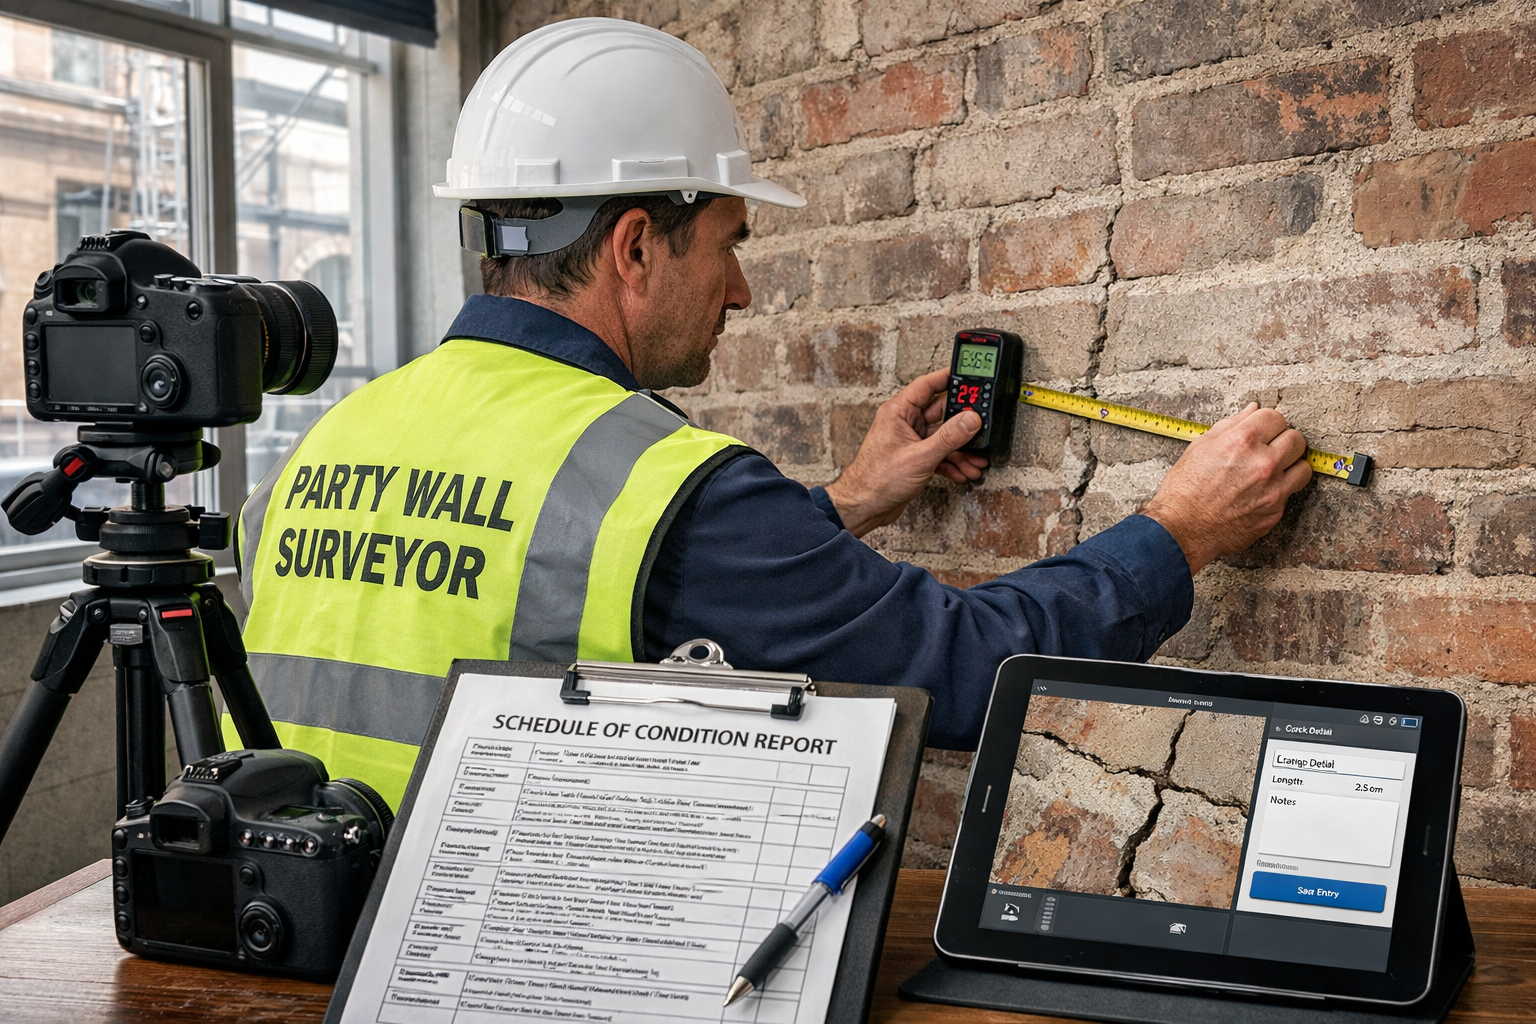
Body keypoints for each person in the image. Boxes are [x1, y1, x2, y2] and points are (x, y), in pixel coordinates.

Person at [234, 18, 1311, 808]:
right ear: (637, 246)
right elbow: (970, 668)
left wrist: (842, 503)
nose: (741, 290)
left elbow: (585, 579)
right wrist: (1182, 531)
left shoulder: (329, 439)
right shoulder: (662, 486)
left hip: (294, 953)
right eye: (732, 242)